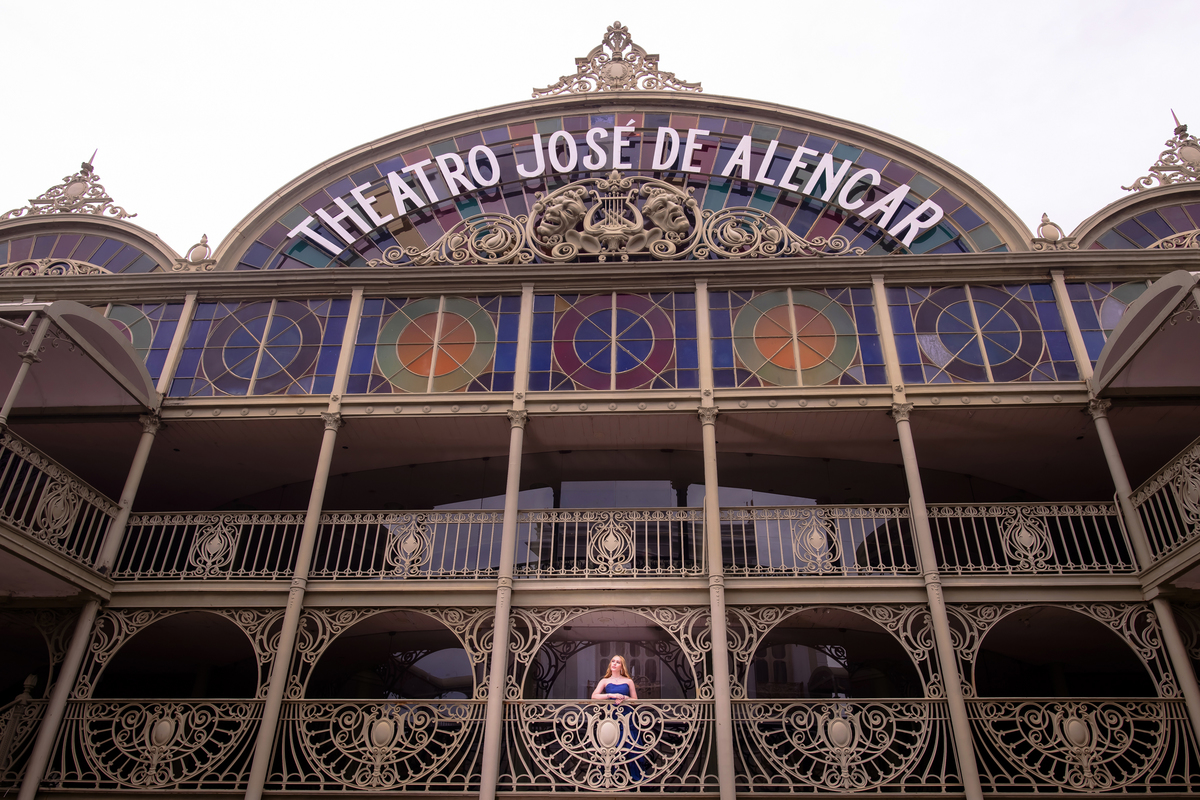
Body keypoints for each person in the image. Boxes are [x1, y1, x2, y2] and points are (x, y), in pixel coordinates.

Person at [592, 655, 643, 783]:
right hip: (611, 718)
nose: (614, 663)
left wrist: (624, 698)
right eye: (613, 661)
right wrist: (611, 695)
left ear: (622, 666)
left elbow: (635, 701)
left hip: (626, 717)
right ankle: (611, 780)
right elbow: (594, 696)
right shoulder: (604, 681)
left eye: (618, 662)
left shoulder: (628, 681)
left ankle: (634, 781)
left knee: (631, 746)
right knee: (611, 747)